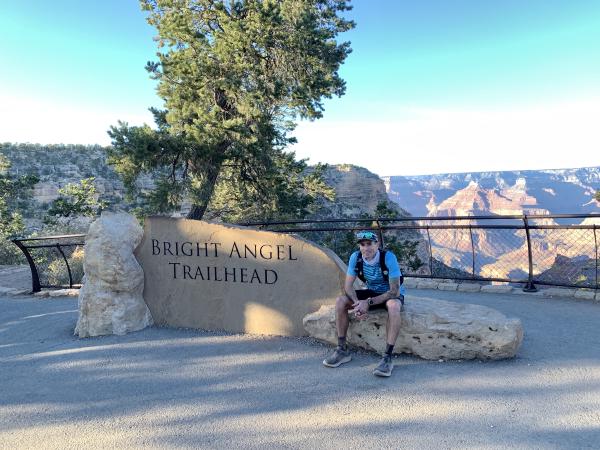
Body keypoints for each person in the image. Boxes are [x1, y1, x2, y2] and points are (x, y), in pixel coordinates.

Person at [323, 230, 406, 377]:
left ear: (377, 244)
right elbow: (348, 286)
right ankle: (342, 349)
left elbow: (395, 291)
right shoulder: (356, 257)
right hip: (371, 291)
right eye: (362, 244)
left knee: (394, 306)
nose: (366, 248)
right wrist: (357, 304)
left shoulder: (388, 257)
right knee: (341, 301)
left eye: (370, 244)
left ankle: (387, 357)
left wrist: (368, 302)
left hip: (389, 294)